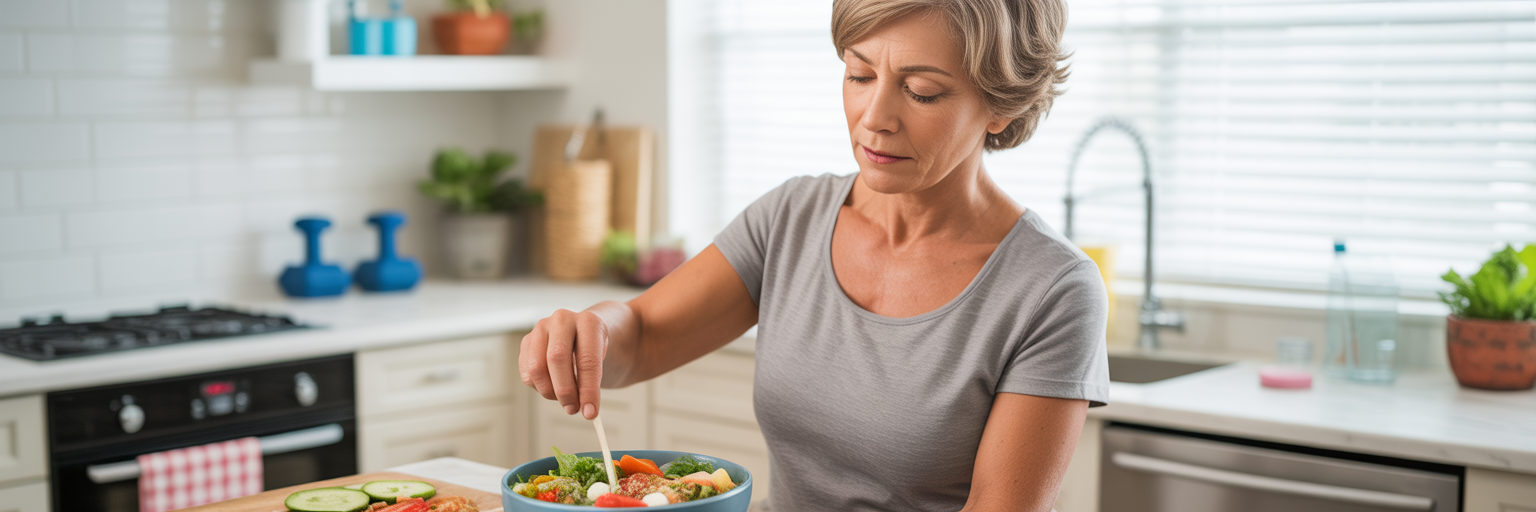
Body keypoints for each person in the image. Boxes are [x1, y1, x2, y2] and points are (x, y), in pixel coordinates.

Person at [518, 0, 1108, 510]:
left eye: (921, 90)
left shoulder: (1052, 290)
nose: (875, 119)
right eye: (859, 75)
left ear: (1001, 105)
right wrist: (590, 333)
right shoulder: (792, 217)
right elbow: (644, 333)